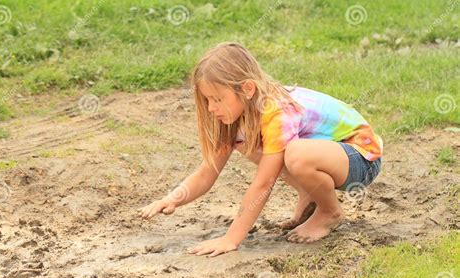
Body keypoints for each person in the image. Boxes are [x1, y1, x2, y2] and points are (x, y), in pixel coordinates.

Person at [139, 42, 382, 257]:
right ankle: (309, 195)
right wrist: (172, 198)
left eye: (217, 99)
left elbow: (264, 183)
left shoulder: (276, 111)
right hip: (331, 157)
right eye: (207, 100)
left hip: (360, 157)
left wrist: (231, 239)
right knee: (253, 146)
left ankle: (330, 212)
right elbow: (207, 172)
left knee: (296, 154)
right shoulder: (237, 119)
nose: (212, 108)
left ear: (247, 89)